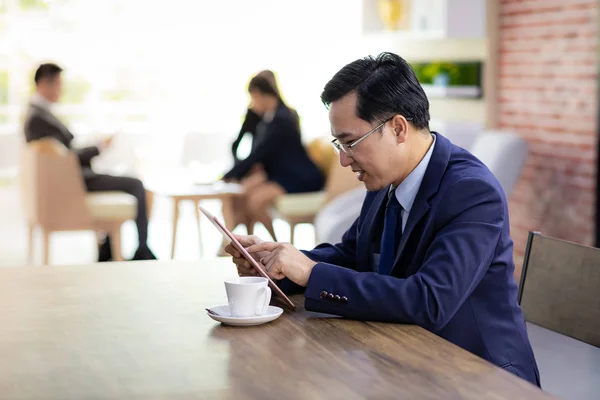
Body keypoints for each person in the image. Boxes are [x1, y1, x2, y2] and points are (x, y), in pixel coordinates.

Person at [225, 52, 540, 386]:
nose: (344, 161)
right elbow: (352, 255)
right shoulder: (387, 179)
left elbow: (430, 301)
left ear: (398, 128)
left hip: (481, 377)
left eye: (350, 143)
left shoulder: (472, 192)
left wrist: (311, 272)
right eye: (338, 144)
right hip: (407, 358)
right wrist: (278, 263)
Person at [22, 63, 156, 262]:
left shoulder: (37, 114)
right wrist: (99, 147)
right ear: (44, 84)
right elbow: (68, 157)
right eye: (59, 84)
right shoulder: (38, 118)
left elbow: (63, 152)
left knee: (127, 181)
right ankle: (142, 250)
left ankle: (109, 251)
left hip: (72, 176)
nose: (62, 90)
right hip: (75, 180)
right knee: (136, 184)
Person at [222, 72, 324, 240]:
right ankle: (244, 243)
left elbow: (259, 153)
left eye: (253, 97)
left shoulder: (282, 120)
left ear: (260, 94)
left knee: (255, 201)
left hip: (299, 177)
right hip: (282, 174)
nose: (251, 103)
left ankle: (274, 245)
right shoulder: (268, 119)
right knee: (243, 194)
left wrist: (229, 175)